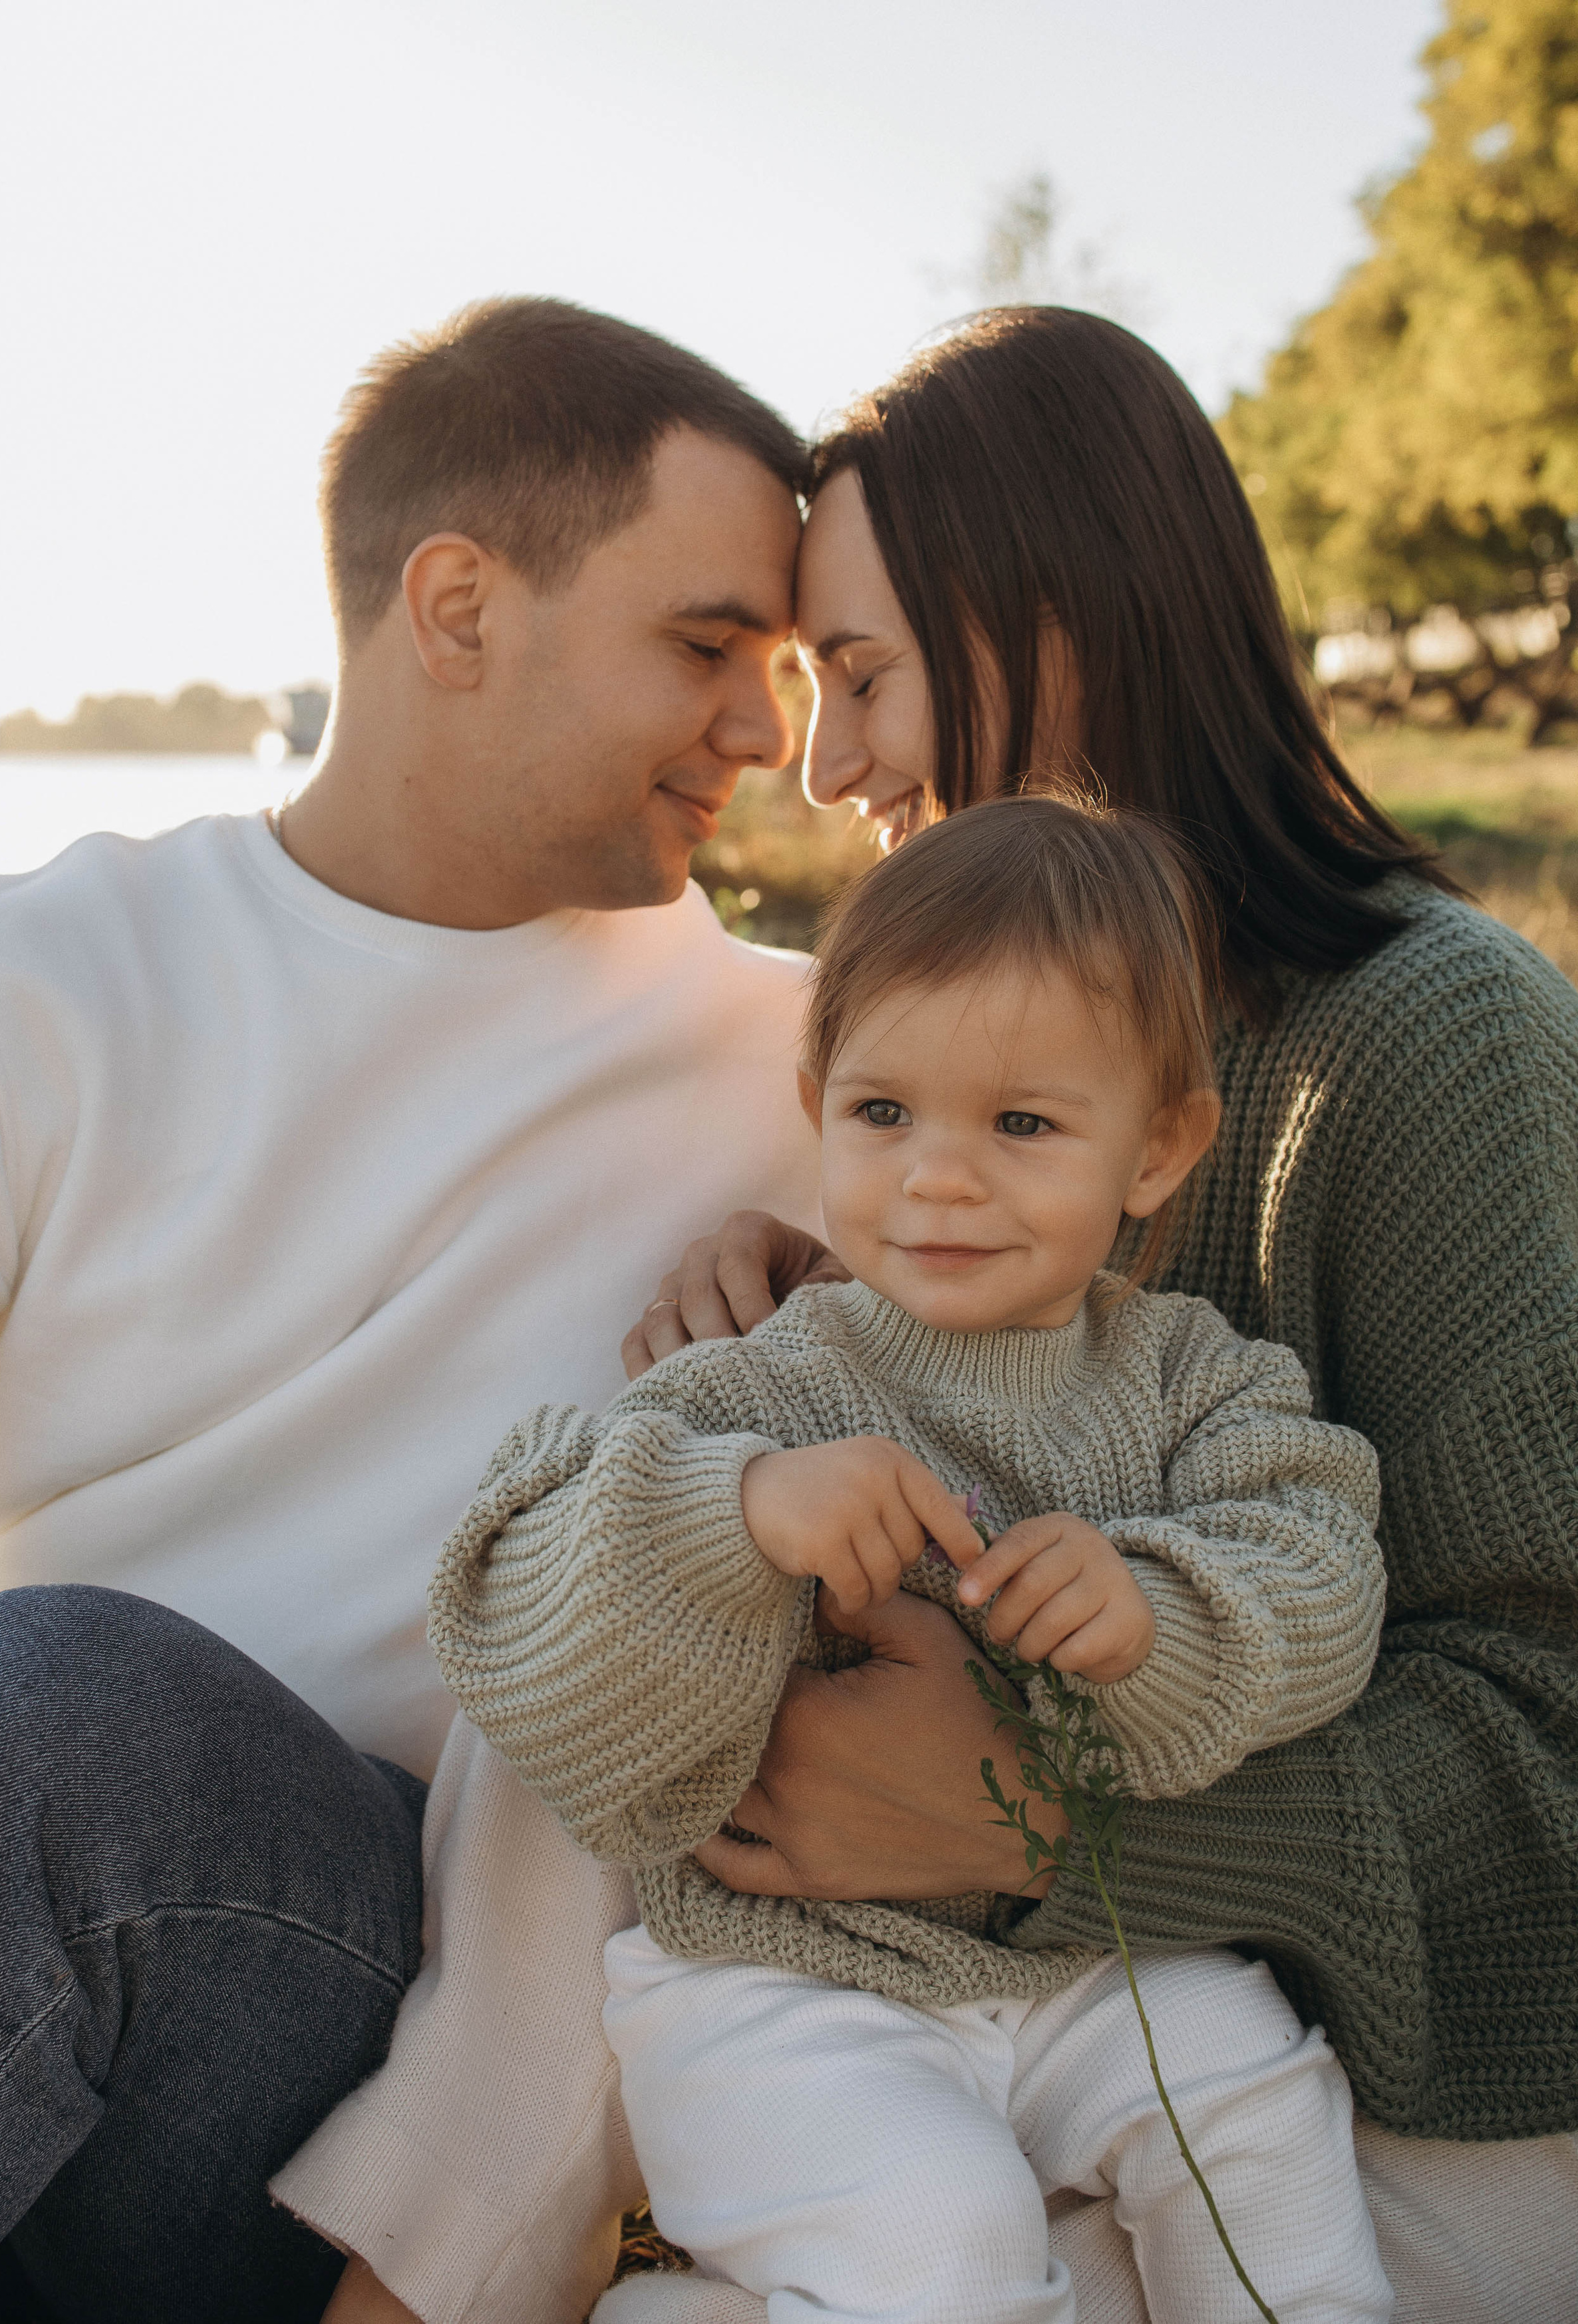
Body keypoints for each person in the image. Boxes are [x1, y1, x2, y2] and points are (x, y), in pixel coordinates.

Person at [607, 309, 1578, 2318]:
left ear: (1060, 624)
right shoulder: (992, 1087)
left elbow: (1553, 1739)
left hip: (1393, 2089)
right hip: (1053, 2013)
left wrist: (1050, 1806)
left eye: (858, 673)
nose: (821, 763)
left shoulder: (1433, 1043)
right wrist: (840, 1332)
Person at [0, 297, 826, 2322]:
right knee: (7, 1726)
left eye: (786, 663)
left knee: (64, 1709)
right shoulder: (36, 972)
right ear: (461, 605)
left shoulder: (827, 1085)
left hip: (350, 1999)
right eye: (706, 645)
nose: (770, 732)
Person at [430, 796, 1394, 2323]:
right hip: (781, 1991)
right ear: (815, 1102)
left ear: (1156, 1147)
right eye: (883, 1114)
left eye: (1020, 1124)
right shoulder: (761, 1387)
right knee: (938, 2245)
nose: (939, 1176)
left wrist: (1159, 1609)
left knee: (1257, 2106)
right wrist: (735, 1514)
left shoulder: (1194, 1379)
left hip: (1084, 1960)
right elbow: (510, 1587)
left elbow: (1322, 1561)